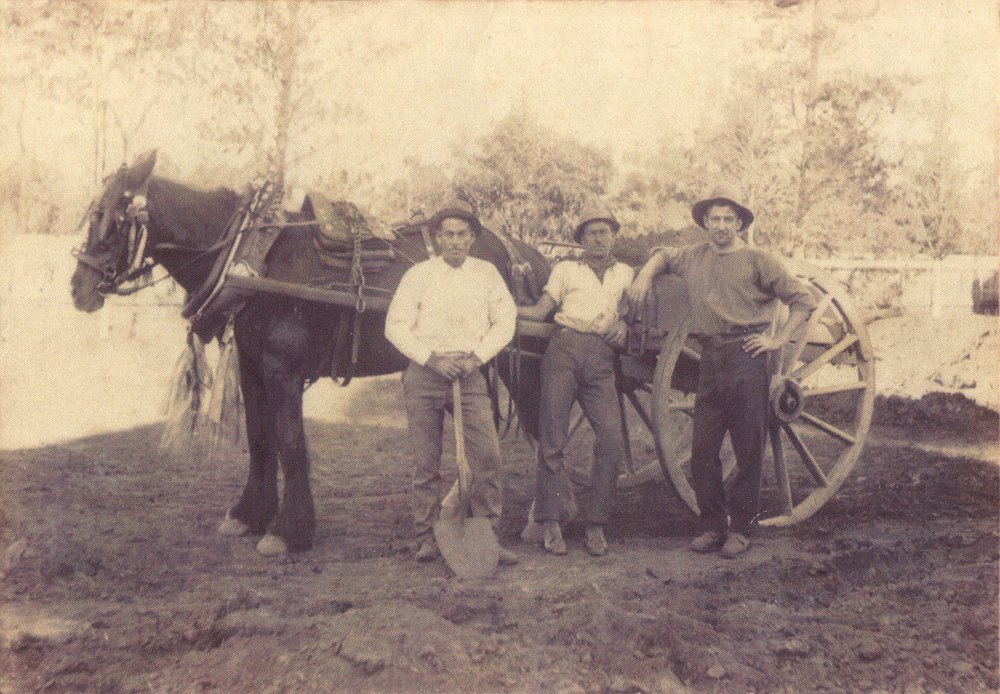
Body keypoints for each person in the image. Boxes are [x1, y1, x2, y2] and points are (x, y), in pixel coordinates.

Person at [627, 190, 816, 558]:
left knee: (747, 449)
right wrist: (644, 277)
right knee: (702, 450)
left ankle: (741, 530)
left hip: (747, 357)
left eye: (729, 220)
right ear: (705, 224)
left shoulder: (759, 260)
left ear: (740, 224)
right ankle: (713, 525)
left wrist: (777, 339)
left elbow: (802, 300)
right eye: (714, 219)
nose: (721, 226)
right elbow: (663, 255)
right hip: (710, 357)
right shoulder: (694, 256)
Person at [385, 201, 519, 566]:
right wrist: (431, 359)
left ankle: (487, 536)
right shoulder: (419, 275)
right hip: (425, 374)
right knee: (426, 462)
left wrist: (476, 357)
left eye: (462, 234)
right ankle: (426, 537)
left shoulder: (487, 273)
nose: (456, 241)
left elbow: (505, 322)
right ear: (438, 238)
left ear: (472, 238)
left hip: (470, 372)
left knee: (487, 457)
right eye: (449, 234)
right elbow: (395, 325)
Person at [518, 205, 633, 556]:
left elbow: (632, 315)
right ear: (581, 239)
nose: (598, 238)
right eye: (590, 233)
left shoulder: (627, 274)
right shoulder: (566, 269)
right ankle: (550, 522)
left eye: (604, 232)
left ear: (614, 236)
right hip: (563, 351)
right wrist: (497, 309)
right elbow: (540, 311)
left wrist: (624, 326)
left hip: (600, 358)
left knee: (612, 441)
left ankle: (595, 525)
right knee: (552, 438)